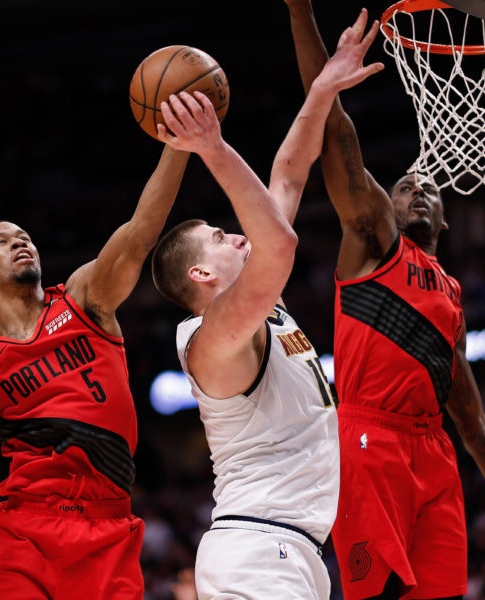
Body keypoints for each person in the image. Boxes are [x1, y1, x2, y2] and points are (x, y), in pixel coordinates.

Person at [281, 2, 485, 599]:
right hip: (371, 439)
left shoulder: (450, 295)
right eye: (403, 185)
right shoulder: (372, 240)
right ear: (383, 205)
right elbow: (336, 126)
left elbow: (472, 423)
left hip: (434, 452)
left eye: (428, 186)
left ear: (446, 221)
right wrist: (301, 14)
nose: (417, 187)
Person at [149, 10, 383, 599]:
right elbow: (280, 241)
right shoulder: (210, 338)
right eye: (221, 238)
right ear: (202, 273)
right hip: (259, 551)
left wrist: (324, 88)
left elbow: (288, 173)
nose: (236, 235)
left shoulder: (263, 308)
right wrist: (212, 148)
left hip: (289, 546)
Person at [0, 144, 190, 599]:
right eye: (3, 240)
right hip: (23, 529)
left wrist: (178, 147)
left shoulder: (84, 300)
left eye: (25, 236)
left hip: (105, 522)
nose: (20, 242)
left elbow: (140, 233)